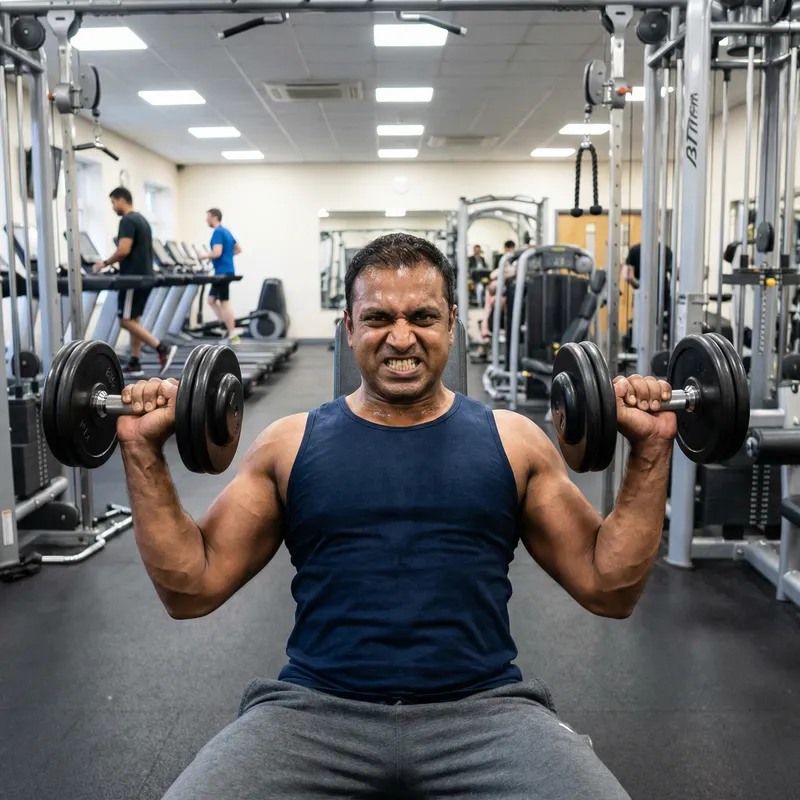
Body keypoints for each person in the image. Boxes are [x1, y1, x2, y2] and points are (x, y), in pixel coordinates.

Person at [118, 233, 674, 800]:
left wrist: (651, 450)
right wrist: (141, 450)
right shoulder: (289, 445)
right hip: (313, 712)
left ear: (452, 324)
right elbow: (191, 589)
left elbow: (610, 588)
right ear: (349, 326)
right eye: (378, 317)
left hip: (484, 712)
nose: (401, 337)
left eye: (424, 317)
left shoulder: (514, 442)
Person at [93, 187, 176, 376]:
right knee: (134, 321)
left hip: (131, 279)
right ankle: (135, 361)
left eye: (113, 202)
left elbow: (123, 249)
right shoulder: (142, 220)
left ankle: (161, 347)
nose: (113, 207)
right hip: (144, 277)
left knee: (125, 321)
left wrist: (104, 263)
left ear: (121, 200)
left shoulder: (127, 220)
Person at [622, 242, 673, 350]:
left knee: (643, 326)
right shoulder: (665, 249)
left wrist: (640, 286)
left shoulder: (634, 250)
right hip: (663, 295)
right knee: (662, 324)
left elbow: (627, 277)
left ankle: (642, 353)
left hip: (643, 297)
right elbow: (675, 274)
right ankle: (661, 350)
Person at [206, 208, 242, 344]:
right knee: (211, 300)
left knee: (224, 303)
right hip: (224, 271)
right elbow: (238, 249)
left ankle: (232, 334)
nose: (206, 220)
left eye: (208, 217)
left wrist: (203, 256)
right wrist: (228, 256)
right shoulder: (226, 231)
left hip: (222, 272)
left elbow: (217, 252)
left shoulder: (218, 232)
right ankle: (225, 328)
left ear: (214, 217)